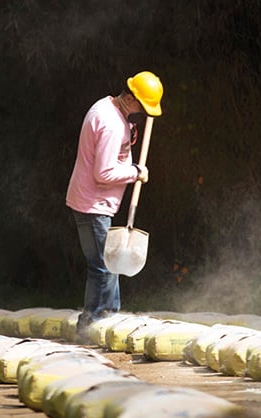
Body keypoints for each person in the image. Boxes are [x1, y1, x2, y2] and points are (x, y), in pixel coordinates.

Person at [65, 71, 163, 338]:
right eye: (142, 107)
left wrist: (129, 134)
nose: (143, 113)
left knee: (105, 266)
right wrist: (135, 172)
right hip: (93, 204)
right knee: (105, 267)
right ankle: (97, 326)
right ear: (130, 97)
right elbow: (104, 173)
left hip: (91, 201)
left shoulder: (108, 109)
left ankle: (100, 323)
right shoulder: (110, 124)